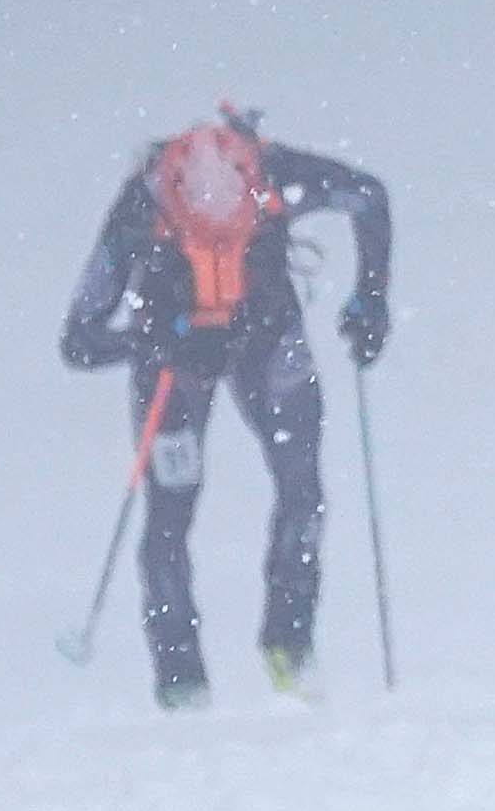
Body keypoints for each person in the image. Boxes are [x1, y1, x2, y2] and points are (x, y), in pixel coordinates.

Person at [58, 109, 395, 708]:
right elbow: (79, 340)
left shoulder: (264, 174)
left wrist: (371, 302)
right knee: (182, 507)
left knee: (292, 489)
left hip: (257, 347)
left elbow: (371, 195)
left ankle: (277, 645)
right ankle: (187, 671)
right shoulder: (147, 202)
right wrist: (156, 341)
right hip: (181, 365)